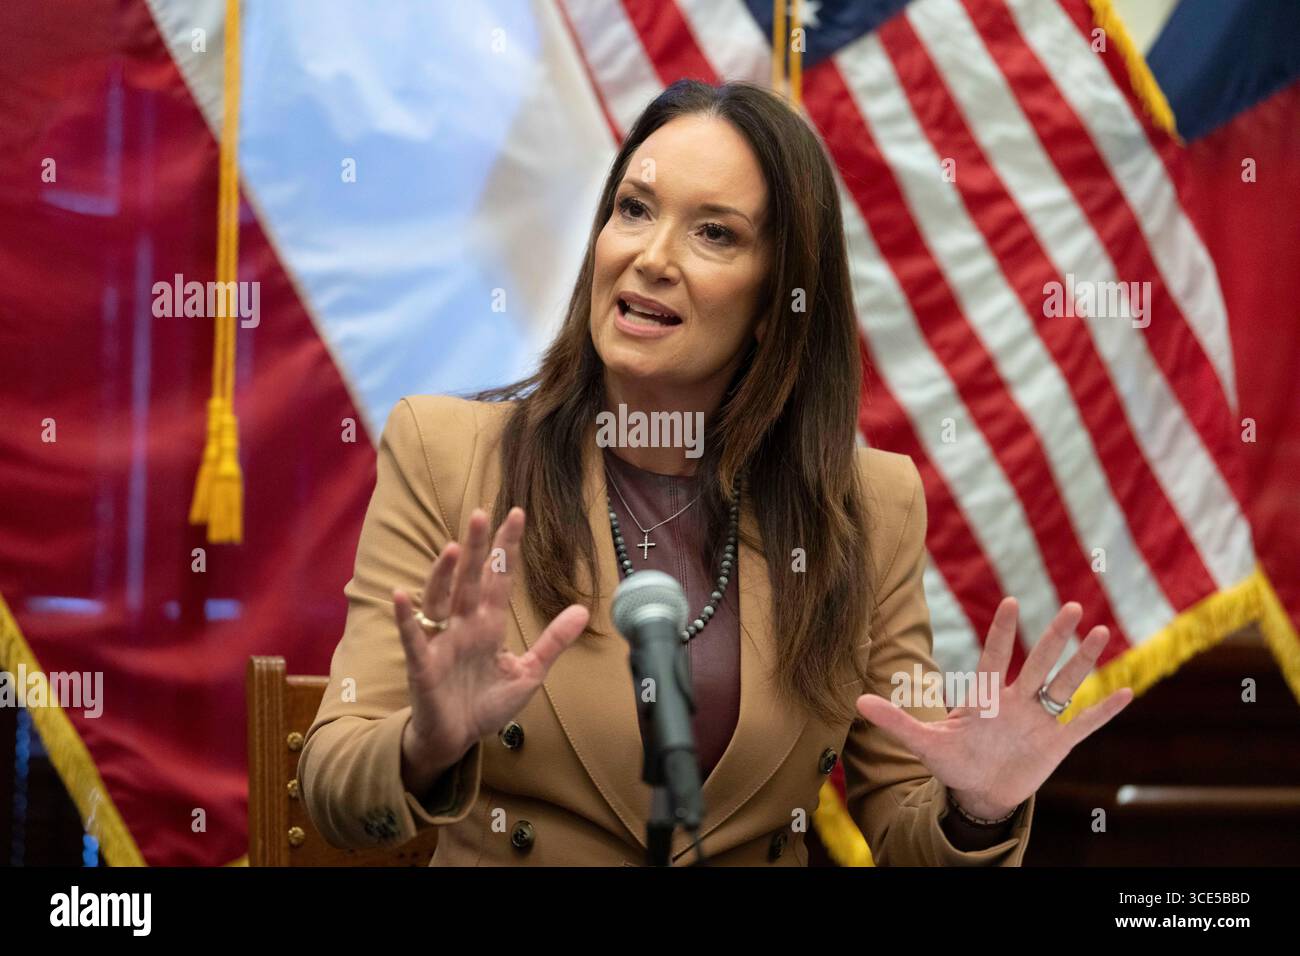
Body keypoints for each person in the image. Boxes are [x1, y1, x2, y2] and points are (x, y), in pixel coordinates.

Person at [298, 79, 1133, 866]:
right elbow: (333, 787)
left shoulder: (870, 506)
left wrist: (975, 807)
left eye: (714, 233)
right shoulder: (447, 454)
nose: (651, 257)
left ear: (778, 306)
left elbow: (899, 823)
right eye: (633, 210)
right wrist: (425, 746)